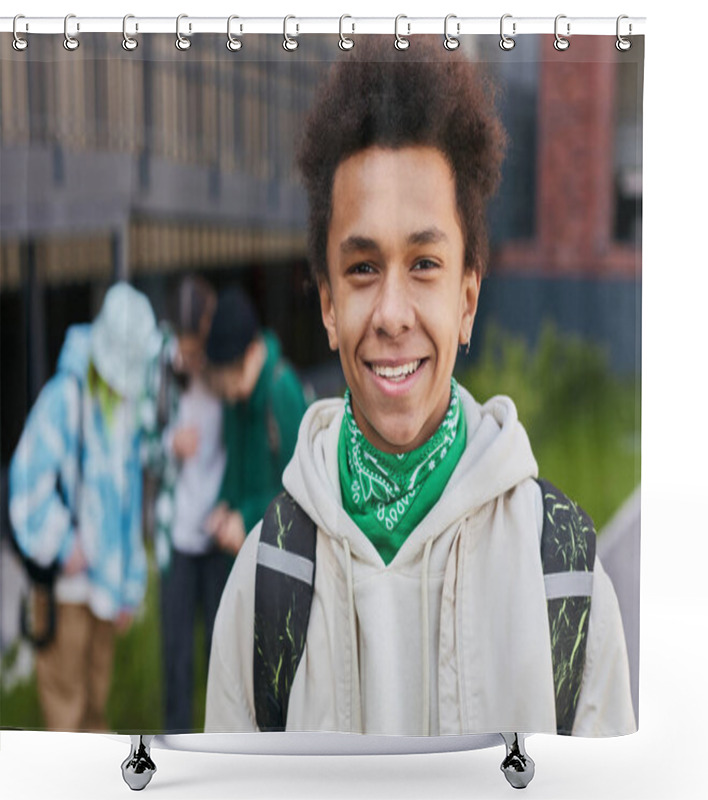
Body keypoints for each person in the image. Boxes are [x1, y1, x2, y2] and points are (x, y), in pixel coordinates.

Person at [205, 39, 636, 738]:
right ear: (327, 307)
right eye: (363, 268)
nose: (393, 314)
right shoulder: (264, 583)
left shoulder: (564, 576)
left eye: (426, 263)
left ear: (468, 298)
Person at [8, 282, 159, 732]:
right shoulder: (63, 399)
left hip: (105, 592)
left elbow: (129, 499)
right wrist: (62, 543)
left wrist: (128, 584)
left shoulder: (127, 405)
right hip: (67, 591)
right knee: (65, 712)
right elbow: (26, 485)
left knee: (96, 706)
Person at [140, 276, 229, 733]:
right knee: (176, 663)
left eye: (200, 351)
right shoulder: (157, 365)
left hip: (217, 535)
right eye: (187, 352)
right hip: (176, 537)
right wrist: (170, 444)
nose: (194, 361)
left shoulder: (224, 363)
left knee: (220, 659)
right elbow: (140, 446)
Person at [203, 287, 308, 557]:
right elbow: (233, 465)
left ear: (253, 353)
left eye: (235, 382)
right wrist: (224, 505)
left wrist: (246, 519)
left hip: (276, 554)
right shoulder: (234, 397)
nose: (231, 393)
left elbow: (300, 492)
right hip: (241, 555)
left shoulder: (282, 391)